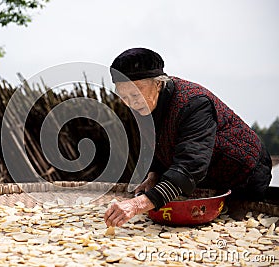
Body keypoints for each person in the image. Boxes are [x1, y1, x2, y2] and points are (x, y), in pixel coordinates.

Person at [104, 48, 273, 227]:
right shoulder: (146, 105)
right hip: (206, 180)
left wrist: (137, 205)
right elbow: (157, 144)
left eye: (136, 94)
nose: (131, 102)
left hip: (244, 175)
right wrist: (154, 175)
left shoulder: (193, 103)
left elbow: (191, 165)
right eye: (124, 96)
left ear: (158, 84)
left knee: (236, 224)